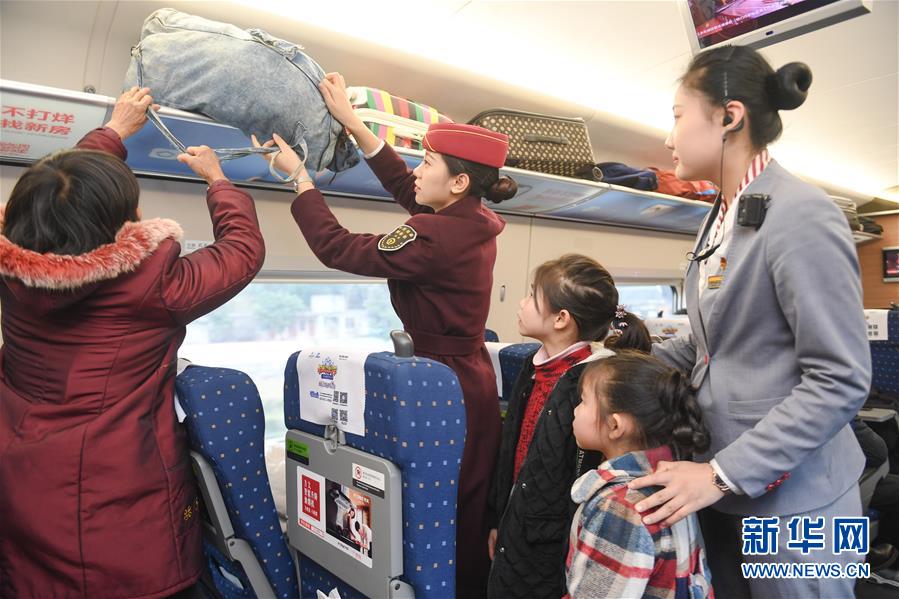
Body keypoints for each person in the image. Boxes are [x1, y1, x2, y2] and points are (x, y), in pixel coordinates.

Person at [255, 72, 517, 596]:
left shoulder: (434, 234)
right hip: (468, 381)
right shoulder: (470, 219)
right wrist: (354, 124)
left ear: (459, 182)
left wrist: (300, 180)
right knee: (460, 510)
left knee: (435, 513)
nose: (418, 171)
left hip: (439, 385)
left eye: (428, 163)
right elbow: (406, 187)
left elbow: (337, 247)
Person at [0, 87, 265, 598]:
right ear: (122, 221)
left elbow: (60, 194)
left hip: (22, 483)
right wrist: (218, 180)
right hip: (115, 504)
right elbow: (241, 250)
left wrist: (114, 130)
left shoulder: (13, 270)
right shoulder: (152, 285)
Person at [628, 45, 871, 597]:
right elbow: (715, 343)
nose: (668, 137)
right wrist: (620, 357)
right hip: (722, 485)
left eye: (677, 115)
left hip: (799, 501)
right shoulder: (721, 214)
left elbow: (840, 379)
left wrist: (721, 474)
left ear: (729, 116)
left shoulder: (802, 213)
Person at [486, 254, 650, 598]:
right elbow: (511, 451)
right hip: (516, 524)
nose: (522, 303)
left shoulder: (591, 381)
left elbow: (582, 476)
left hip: (552, 542)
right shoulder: (532, 366)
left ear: (561, 319)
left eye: (532, 296)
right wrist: (498, 519)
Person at [566, 351, 713, 598]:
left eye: (583, 401)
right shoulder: (675, 482)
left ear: (615, 425)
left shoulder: (620, 507)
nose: (575, 410)